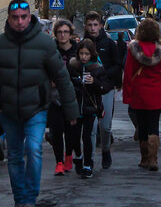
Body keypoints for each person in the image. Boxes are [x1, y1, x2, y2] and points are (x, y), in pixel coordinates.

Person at [0, 0, 78, 207]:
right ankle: (19, 203)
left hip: (36, 108)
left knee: (35, 150)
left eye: (24, 17)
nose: (20, 22)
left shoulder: (45, 44)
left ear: (30, 17)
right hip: (8, 110)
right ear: (8, 18)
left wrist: (71, 110)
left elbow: (62, 77)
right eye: (15, 18)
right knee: (15, 156)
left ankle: (29, 201)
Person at [122, 18, 161, 171]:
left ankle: (144, 158)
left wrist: (127, 95)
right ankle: (153, 159)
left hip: (139, 92)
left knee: (142, 125)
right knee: (154, 125)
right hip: (155, 92)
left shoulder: (133, 50)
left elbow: (128, 74)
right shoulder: (160, 51)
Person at [82, 11, 122, 169]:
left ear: (100, 26)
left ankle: (106, 149)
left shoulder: (109, 44)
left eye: (95, 25)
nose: (92, 28)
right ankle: (89, 160)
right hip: (88, 91)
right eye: (90, 25)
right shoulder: (83, 44)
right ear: (86, 26)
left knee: (105, 126)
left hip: (105, 88)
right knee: (90, 127)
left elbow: (118, 65)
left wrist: (103, 73)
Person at [68, 38, 105, 178]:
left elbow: (104, 86)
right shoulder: (73, 67)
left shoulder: (97, 68)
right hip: (76, 107)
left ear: (91, 54)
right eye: (81, 53)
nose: (83, 57)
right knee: (74, 136)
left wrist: (94, 82)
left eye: (86, 54)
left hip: (90, 108)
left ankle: (88, 164)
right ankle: (78, 155)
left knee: (87, 136)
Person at [48, 19, 80, 176]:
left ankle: (69, 156)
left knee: (71, 130)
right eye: (59, 32)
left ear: (70, 33)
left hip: (72, 96)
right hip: (54, 97)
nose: (62, 35)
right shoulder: (51, 50)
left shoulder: (77, 50)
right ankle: (59, 162)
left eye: (65, 32)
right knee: (56, 130)